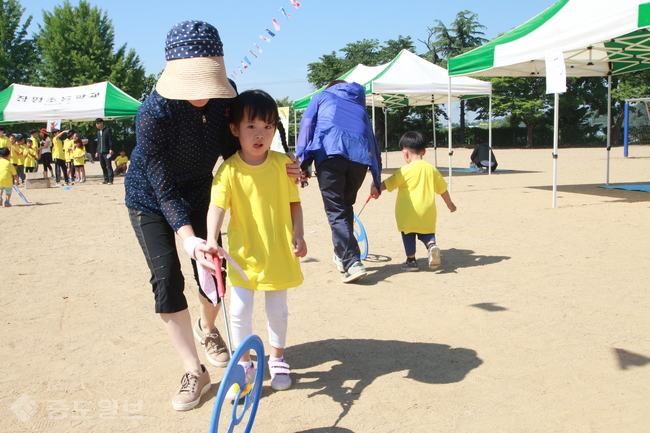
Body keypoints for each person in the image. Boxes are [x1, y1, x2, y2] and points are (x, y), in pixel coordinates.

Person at [124, 20, 302, 412]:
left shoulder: (228, 100)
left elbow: (242, 150)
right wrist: (189, 238)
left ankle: (208, 327)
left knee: (213, 271)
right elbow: (163, 186)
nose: (201, 93)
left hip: (204, 190)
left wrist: (283, 165)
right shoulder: (153, 113)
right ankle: (194, 370)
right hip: (150, 197)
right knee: (167, 277)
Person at [200, 89, 306, 399]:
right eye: (251, 126)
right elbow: (216, 207)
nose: (260, 134)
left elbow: (294, 203)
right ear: (234, 129)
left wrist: (298, 234)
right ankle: (244, 364)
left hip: (278, 253)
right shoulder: (228, 170)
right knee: (239, 311)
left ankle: (277, 359)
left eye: (268, 126)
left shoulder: (282, 164)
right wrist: (210, 240)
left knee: (278, 310)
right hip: (242, 258)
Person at [296, 80, 382, 283]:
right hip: (359, 160)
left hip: (330, 155)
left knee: (336, 210)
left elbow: (308, 126)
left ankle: (352, 262)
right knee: (345, 207)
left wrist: (303, 162)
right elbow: (371, 138)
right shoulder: (358, 105)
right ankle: (341, 254)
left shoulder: (322, 97)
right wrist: (376, 178)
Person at [371, 131, 457, 272]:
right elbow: (442, 189)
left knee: (408, 234)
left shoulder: (404, 171)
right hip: (427, 211)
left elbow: (386, 184)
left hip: (407, 212)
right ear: (424, 151)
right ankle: (431, 245)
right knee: (427, 232)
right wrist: (450, 204)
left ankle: (411, 261)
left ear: (405, 153)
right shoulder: (432, 169)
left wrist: (376, 189)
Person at [94, 118, 114, 184]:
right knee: (103, 165)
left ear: (102, 123)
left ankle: (110, 179)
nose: (97, 125)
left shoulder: (108, 130)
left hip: (107, 151)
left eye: (98, 123)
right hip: (100, 151)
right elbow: (98, 143)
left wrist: (110, 149)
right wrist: (97, 151)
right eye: (96, 123)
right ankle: (106, 179)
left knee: (108, 165)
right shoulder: (98, 132)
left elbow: (110, 140)